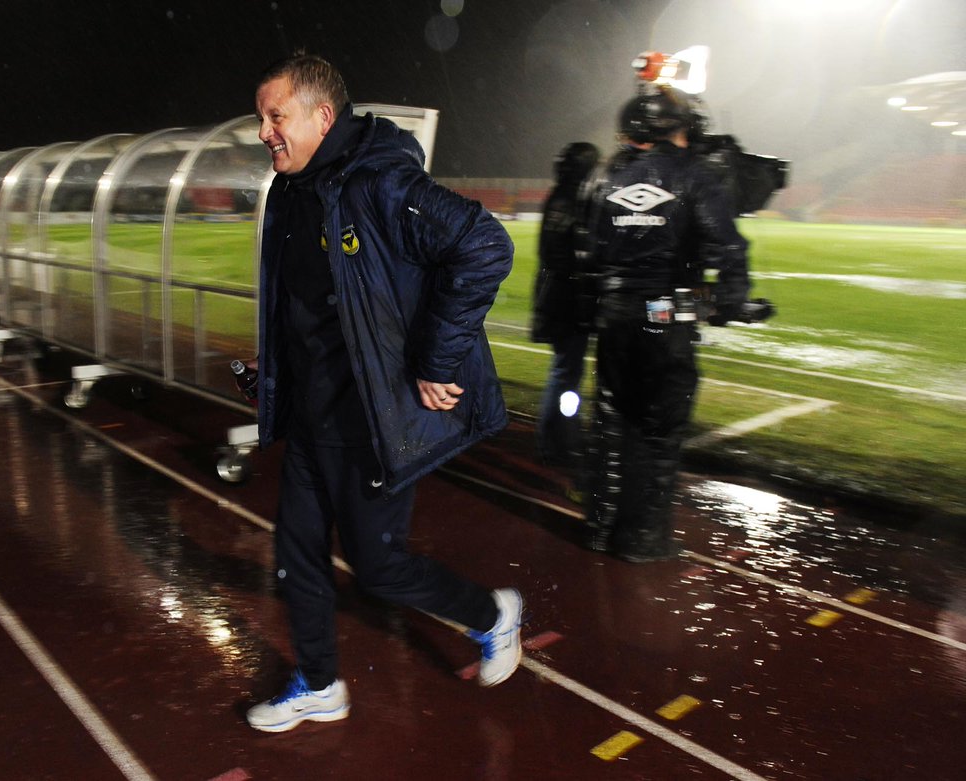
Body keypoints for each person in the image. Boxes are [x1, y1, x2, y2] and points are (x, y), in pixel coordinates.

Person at [244, 53, 522, 733]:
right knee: (296, 556)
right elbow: (300, 299)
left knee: (380, 569)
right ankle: (318, 682)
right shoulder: (291, 189)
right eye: (261, 118)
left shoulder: (381, 179)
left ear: (321, 115)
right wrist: (272, 369)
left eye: (275, 116)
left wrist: (437, 357)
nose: (263, 131)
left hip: (372, 419)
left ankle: (492, 613)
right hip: (312, 413)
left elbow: (484, 245)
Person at [579, 85, 754, 562]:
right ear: (681, 127)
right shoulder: (695, 175)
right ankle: (643, 538)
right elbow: (729, 247)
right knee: (659, 432)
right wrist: (730, 300)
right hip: (666, 318)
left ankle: (601, 526)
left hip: (614, 319)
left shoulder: (606, 178)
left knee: (612, 425)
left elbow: (592, 252)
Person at [530, 142, 599, 482]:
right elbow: (579, 256)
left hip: (556, 298)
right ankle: (559, 441)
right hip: (569, 302)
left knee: (564, 373)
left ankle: (555, 438)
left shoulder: (558, 197)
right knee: (567, 376)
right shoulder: (574, 202)